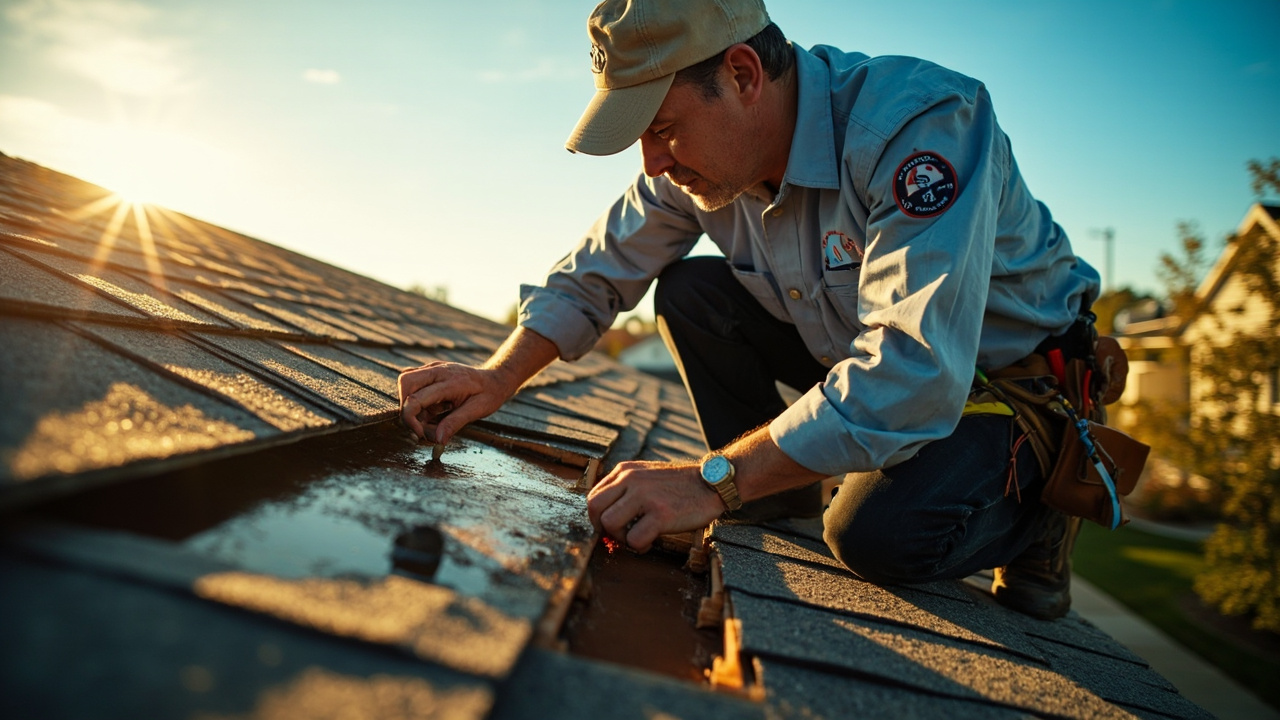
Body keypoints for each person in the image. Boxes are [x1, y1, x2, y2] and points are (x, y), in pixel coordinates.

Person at [398, 0, 1101, 620]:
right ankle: (768, 498)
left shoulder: (920, 128)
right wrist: (498, 377)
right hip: (861, 352)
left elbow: (914, 370)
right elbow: (596, 272)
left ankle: (1036, 517)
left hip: (1001, 383)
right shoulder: (695, 165)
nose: (651, 163)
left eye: (662, 127)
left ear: (741, 74)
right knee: (690, 292)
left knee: (875, 535)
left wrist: (713, 480)